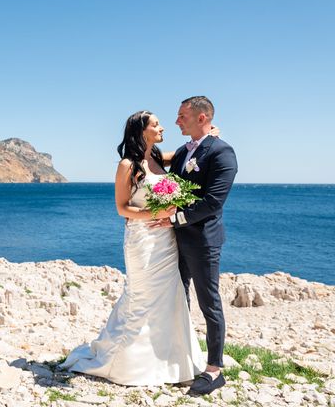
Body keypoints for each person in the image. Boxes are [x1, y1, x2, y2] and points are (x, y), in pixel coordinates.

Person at [60, 110, 207, 386]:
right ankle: (126, 363)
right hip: (142, 241)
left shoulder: (157, 158)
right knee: (141, 297)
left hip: (166, 241)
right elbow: (122, 208)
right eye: (156, 124)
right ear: (142, 131)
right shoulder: (128, 165)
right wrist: (159, 213)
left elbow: (187, 151)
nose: (162, 127)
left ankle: (171, 362)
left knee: (169, 296)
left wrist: (207, 136)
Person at [155, 96, 238, 395]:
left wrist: (176, 219)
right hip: (174, 241)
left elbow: (213, 202)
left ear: (201, 118)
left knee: (209, 303)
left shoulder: (222, 152)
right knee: (179, 298)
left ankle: (214, 370)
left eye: (181, 116)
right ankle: (183, 356)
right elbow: (161, 169)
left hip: (203, 241)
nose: (177, 121)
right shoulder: (181, 152)